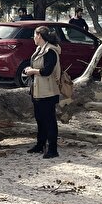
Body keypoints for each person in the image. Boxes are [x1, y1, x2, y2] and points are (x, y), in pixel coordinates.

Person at [22, 26, 63, 158]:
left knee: (50, 120)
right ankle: (40, 145)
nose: (33, 38)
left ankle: (53, 149)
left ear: (39, 35)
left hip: (48, 91)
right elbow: (38, 67)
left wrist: (32, 71)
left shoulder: (51, 51)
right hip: (37, 90)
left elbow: (47, 71)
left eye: (34, 35)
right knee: (40, 119)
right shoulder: (39, 49)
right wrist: (30, 69)